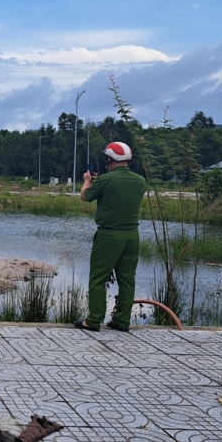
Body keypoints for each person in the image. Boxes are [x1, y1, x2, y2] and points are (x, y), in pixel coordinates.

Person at [74, 141, 147, 332]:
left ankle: (93, 320)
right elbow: (118, 189)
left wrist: (87, 182)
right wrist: (102, 181)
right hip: (132, 236)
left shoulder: (106, 180)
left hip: (109, 235)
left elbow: (85, 196)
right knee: (127, 279)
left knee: (98, 278)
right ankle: (122, 321)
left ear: (110, 159)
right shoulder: (140, 181)